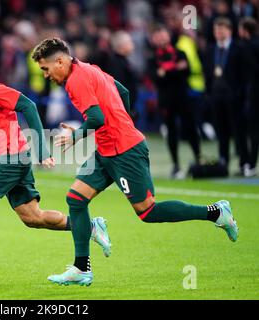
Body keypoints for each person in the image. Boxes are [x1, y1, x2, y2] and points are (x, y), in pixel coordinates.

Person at [31, 38, 239, 286]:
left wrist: (76, 135)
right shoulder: (90, 68)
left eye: (45, 68)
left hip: (124, 151)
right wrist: (123, 121)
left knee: (148, 211)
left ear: (60, 61)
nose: (45, 75)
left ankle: (216, 213)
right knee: (76, 199)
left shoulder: (77, 80)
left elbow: (96, 117)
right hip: (107, 149)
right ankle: (81, 267)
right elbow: (123, 91)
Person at [0, 47, 111, 284]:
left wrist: (42, 150)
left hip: (13, 157)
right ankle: (89, 226)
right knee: (33, 218)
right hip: (5, 159)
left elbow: (29, 106)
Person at [148, 26, 202, 179]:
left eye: (163, 33)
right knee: (171, 132)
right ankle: (176, 164)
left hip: (183, 98)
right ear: (153, 40)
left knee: (191, 128)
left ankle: (199, 159)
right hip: (166, 101)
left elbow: (187, 71)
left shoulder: (180, 52)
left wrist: (165, 71)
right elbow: (156, 78)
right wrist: (175, 69)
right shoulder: (152, 58)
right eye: (157, 35)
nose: (161, 38)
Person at [204, 17, 248, 176]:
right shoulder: (210, 49)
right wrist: (208, 93)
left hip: (233, 97)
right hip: (216, 96)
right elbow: (207, 73)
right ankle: (223, 163)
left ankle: (244, 163)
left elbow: (243, 74)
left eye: (222, 30)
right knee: (221, 131)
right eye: (216, 30)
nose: (219, 33)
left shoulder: (238, 48)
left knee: (238, 131)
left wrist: (240, 94)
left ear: (229, 31)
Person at [238, 17, 259, 177]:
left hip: (252, 93)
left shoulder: (245, 47)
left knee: (252, 130)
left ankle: (250, 163)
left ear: (244, 31)